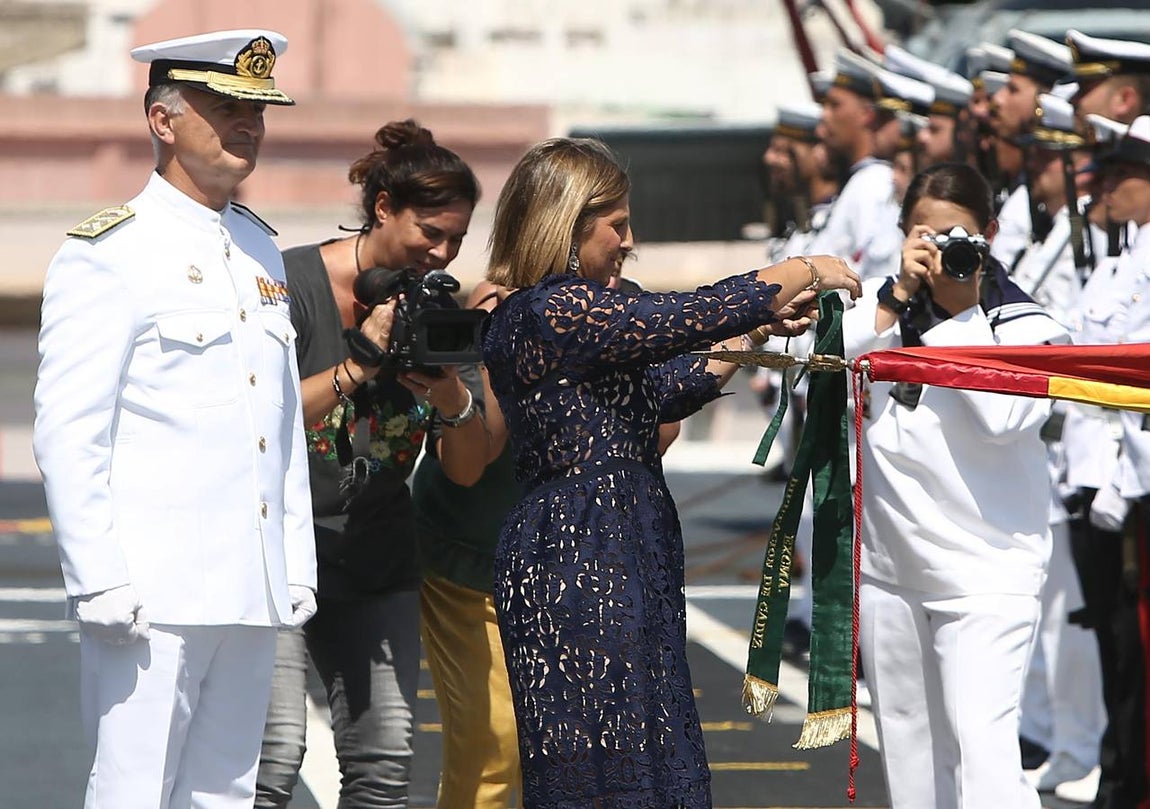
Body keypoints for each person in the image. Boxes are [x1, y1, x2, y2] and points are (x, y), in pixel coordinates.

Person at [480, 136, 860, 808]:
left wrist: (755, 336)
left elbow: (668, 387)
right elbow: (680, 317)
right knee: (601, 768)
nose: (629, 242)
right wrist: (800, 268)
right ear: (565, 226)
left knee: (650, 757)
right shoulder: (551, 309)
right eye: (617, 226)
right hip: (579, 555)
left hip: (624, 545)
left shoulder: (580, 315)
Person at [32, 29, 317, 808]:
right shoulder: (110, 252)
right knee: (133, 789)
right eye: (226, 107)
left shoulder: (258, 248)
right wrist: (101, 579)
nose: (248, 126)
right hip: (150, 592)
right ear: (163, 120)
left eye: (256, 111)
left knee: (224, 791)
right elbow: (68, 429)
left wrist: (293, 562)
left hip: (249, 585)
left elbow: (281, 421)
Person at [254, 119, 489, 808]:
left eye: (456, 240)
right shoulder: (286, 282)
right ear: (383, 208)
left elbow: (467, 466)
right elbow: (256, 420)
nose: (440, 253)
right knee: (270, 761)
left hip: (377, 559)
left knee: (383, 763)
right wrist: (359, 365)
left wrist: (450, 393)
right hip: (276, 555)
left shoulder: (439, 312)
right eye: (429, 233)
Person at [842, 162, 1068, 809]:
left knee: (984, 756)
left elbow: (1004, 417)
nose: (943, 253)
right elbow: (821, 369)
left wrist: (958, 316)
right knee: (912, 766)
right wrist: (892, 300)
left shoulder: (1027, 323)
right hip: (894, 571)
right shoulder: (879, 312)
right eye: (925, 236)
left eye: (958, 239)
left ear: (990, 234)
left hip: (988, 572)